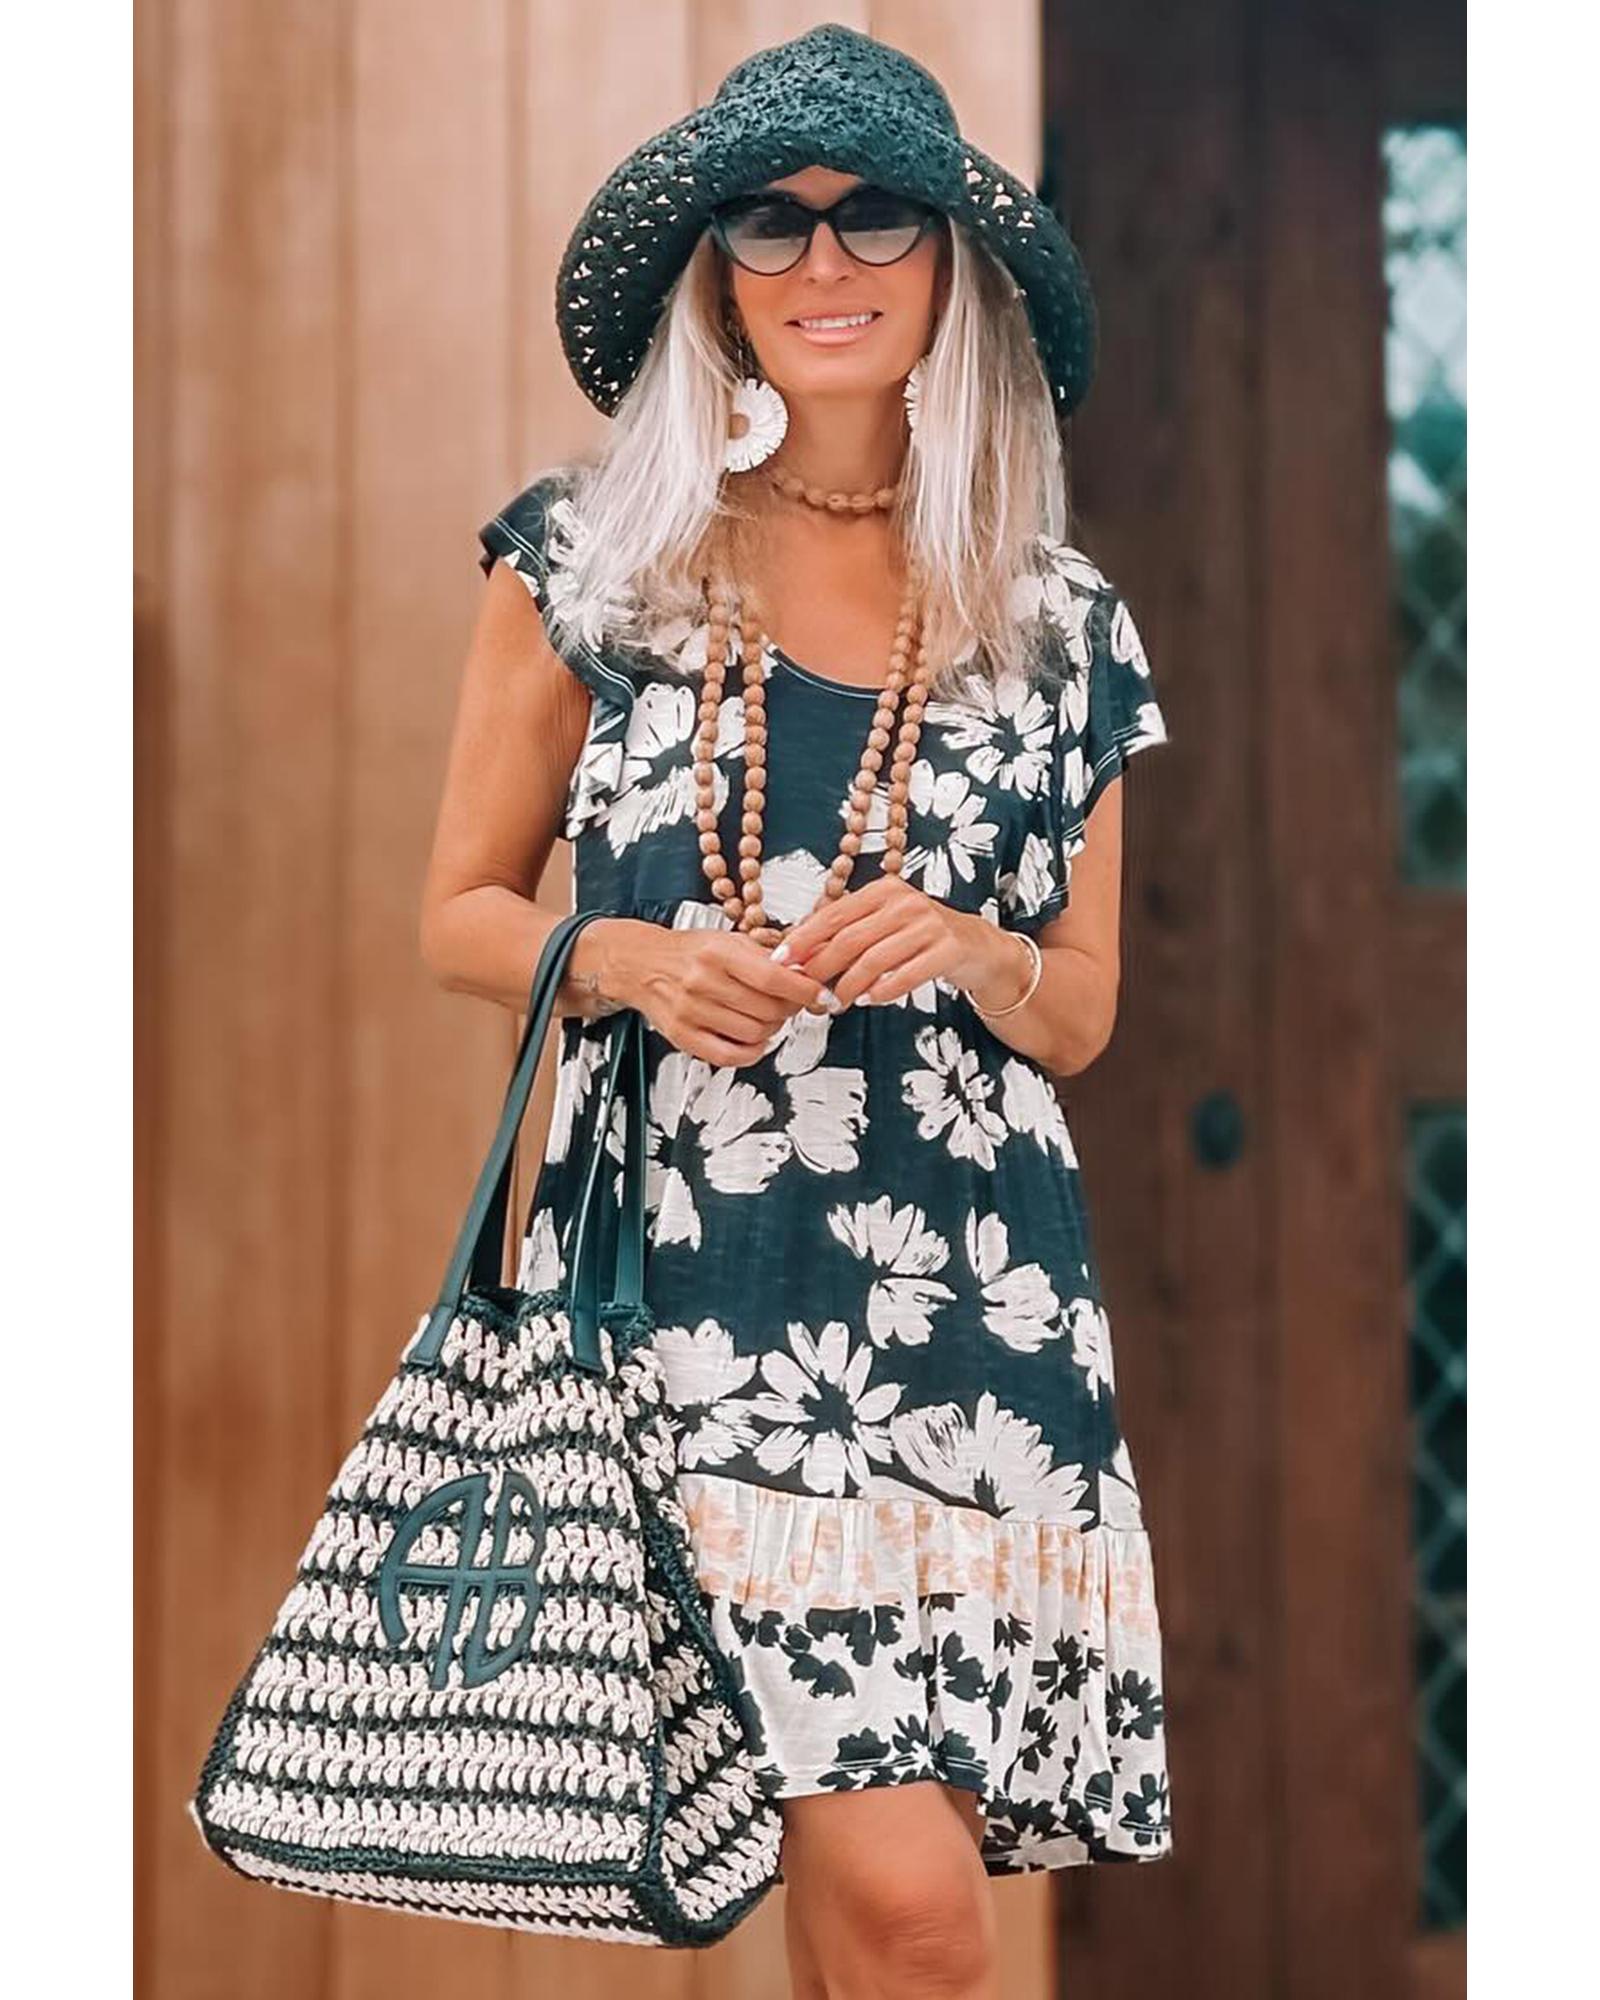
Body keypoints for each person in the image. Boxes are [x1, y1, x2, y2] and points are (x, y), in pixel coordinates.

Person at [420, 23, 1173, 1997]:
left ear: (951, 267)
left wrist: (976, 950)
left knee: (876, 1921)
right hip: (695, 1296)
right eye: (768, 223)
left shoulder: (1059, 621)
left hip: (976, 1305)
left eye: (873, 220)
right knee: (916, 1915)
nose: (821, 262)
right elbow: (459, 915)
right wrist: (628, 959)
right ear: (717, 278)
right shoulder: (590, 566)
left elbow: (1083, 1014)